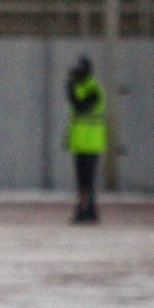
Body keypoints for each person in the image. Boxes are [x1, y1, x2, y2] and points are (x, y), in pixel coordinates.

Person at [65, 56, 107, 224]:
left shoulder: (93, 88)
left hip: (91, 142)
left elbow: (81, 107)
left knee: (88, 179)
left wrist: (71, 91)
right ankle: (84, 208)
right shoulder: (80, 86)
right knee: (82, 179)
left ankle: (88, 209)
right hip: (80, 142)